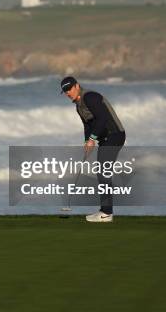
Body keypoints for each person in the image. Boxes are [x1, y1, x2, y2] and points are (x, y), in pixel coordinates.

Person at [60, 76, 126, 222]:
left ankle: (106, 213)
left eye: (69, 89)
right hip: (105, 139)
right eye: (65, 92)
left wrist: (92, 139)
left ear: (77, 86)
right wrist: (87, 141)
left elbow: (102, 119)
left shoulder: (90, 97)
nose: (67, 93)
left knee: (103, 172)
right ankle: (105, 211)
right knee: (102, 172)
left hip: (115, 135)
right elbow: (88, 125)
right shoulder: (78, 106)